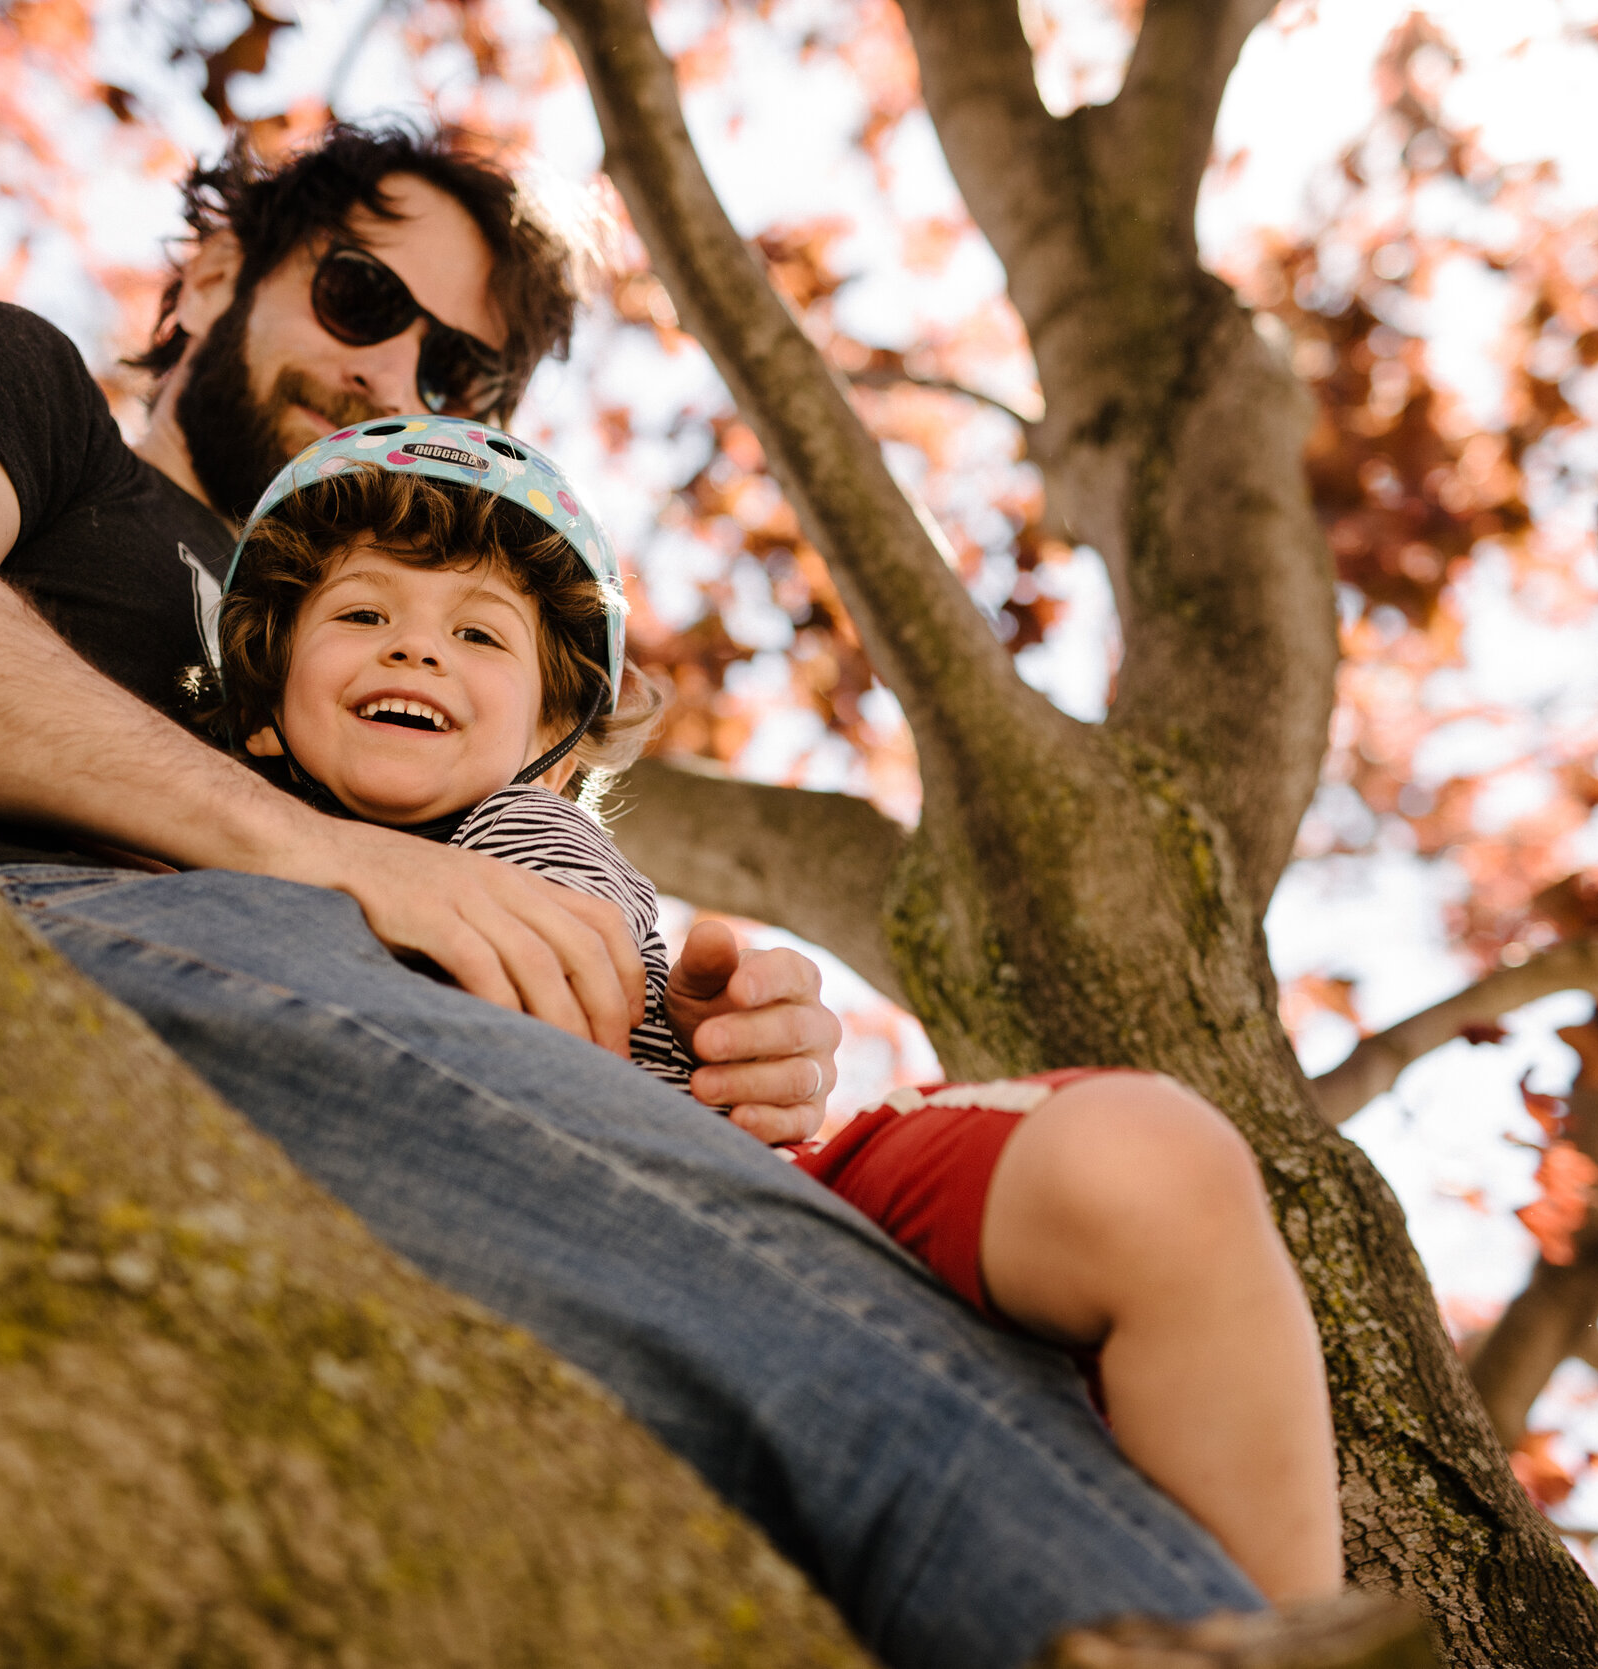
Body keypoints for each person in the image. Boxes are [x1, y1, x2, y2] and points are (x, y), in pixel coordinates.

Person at [0, 121, 1366, 1667]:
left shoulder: (469, 725)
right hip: (78, 947)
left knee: (1121, 1186)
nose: (394, 371)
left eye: (463, 368)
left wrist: (726, 1021)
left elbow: (597, 950)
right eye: (361, 297)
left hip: (496, 1090)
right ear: (218, 276)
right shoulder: (34, 402)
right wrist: (331, 855)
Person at [208, 418, 1343, 1603]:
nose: (417, 650)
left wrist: (699, 1015)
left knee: (1148, 1164)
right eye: (361, 615)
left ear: (551, 738)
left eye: (477, 631)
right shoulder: (212, 884)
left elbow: (575, 1001)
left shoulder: (520, 834)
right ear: (266, 702)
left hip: (770, 1192)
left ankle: (1289, 1625)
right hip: (583, 1264)